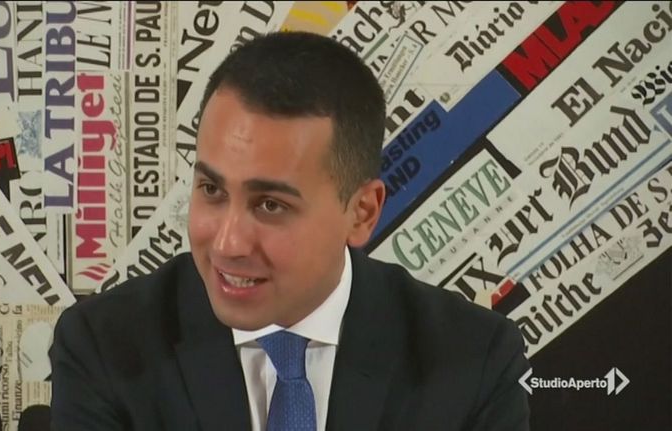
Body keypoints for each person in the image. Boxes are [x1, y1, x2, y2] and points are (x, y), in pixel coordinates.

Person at [49, 31, 530, 431]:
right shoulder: (104, 347)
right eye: (212, 190)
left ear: (362, 212)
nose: (227, 243)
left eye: (270, 205)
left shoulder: (475, 361)